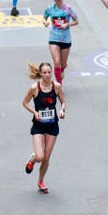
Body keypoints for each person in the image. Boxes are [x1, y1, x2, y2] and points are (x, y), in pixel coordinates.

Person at [21, 61, 66, 195]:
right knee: (40, 156)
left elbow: (63, 101)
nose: (47, 75)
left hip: (52, 125)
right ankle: (32, 159)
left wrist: (62, 110)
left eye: (49, 72)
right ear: (40, 74)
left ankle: (41, 181)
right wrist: (34, 112)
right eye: (44, 73)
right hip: (39, 125)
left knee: (46, 158)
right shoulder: (34, 88)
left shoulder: (56, 86)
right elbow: (24, 102)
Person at [43, 0, 78, 83]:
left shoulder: (68, 9)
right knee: (57, 62)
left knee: (63, 64)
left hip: (65, 39)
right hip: (54, 38)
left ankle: (62, 71)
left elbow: (76, 21)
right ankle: (59, 85)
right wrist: (45, 22)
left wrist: (67, 24)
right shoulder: (50, 8)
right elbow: (44, 17)